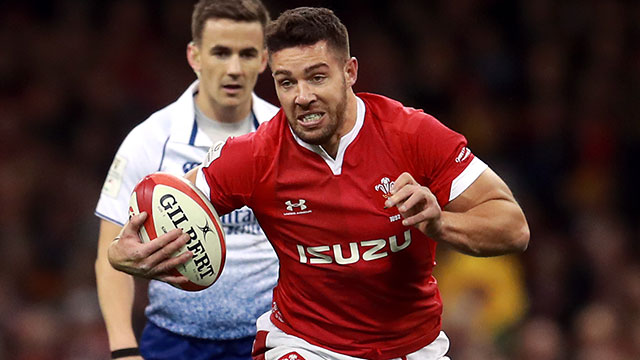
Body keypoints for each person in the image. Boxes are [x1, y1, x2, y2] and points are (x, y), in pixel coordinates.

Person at [108, 7, 530, 360]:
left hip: (412, 347)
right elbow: (167, 205)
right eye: (286, 82)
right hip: (306, 345)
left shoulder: (412, 135)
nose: (301, 96)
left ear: (350, 72)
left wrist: (441, 225)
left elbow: (513, 228)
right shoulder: (255, 155)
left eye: (317, 77)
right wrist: (124, 253)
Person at [94, 1, 279, 359]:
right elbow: (110, 252)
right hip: (174, 342)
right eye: (221, 53)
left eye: (247, 54)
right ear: (194, 56)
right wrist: (123, 349)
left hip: (270, 341)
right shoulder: (150, 139)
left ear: (264, 60)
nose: (235, 69)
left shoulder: (286, 137)